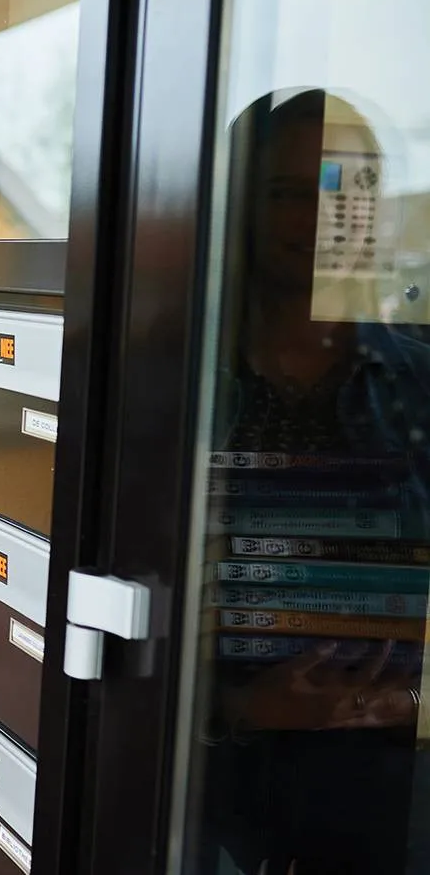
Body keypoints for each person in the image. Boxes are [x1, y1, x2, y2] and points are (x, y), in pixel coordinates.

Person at [196, 88, 430, 873]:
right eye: (291, 193)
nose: (326, 218)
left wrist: (412, 705)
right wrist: (234, 709)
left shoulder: (422, 383)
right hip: (198, 800)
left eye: (349, 189)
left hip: (387, 797)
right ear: (240, 208)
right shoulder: (170, 384)